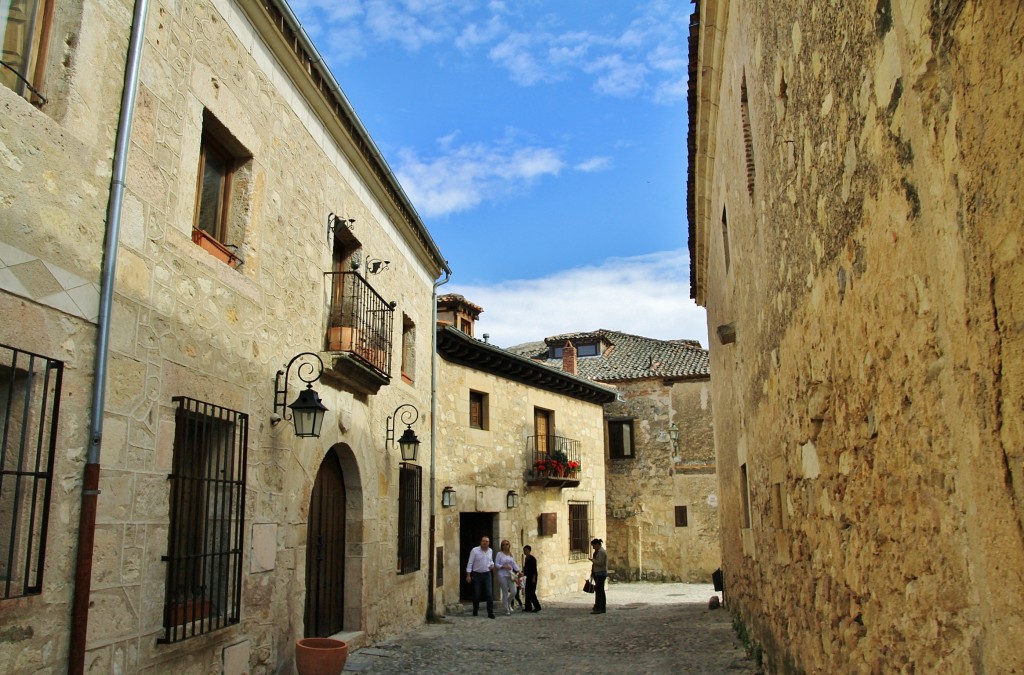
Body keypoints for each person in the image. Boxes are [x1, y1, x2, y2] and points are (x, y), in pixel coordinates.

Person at [465, 536, 495, 618]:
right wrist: (468, 575)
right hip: (477, 574)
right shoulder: (475, 550)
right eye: (483, 541)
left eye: (487, 541)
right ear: (480, 542)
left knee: (489, 593)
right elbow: (470, 563)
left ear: (489, 543)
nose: (485, 543)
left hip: (487, 574)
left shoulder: (490, 551)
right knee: (477, 594)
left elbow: (491, 560)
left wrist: (492, 565)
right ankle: (475, 610)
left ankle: (490, 612)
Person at [495, 539, 521, 616]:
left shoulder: (510, 554)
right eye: (503, 544)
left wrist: (518, 571)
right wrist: (503, 567)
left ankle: (508, 603)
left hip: (510, 575)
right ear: (501, 546)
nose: (505, 546)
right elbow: (496, 564)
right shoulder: (499, 554)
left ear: (509, 545)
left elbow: (514, 564)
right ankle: (506, 609)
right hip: (502, 575)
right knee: (505, 591)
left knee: (514, 591)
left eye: (507, 544)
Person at [590, 538, 608, 614]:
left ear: (597, 544)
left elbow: (600, 563)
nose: (593, 547)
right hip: (598, 573)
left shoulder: (601, 552)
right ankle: (600, 607)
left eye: (594, 545)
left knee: (599, 591)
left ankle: (600, 608)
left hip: (600, 573)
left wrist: (592, 560)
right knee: (600, 591)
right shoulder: (598, 552)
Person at [522, 545, 541, 612]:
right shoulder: (526, 558)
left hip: (533, 577)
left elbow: (534, 570)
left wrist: (534, 578)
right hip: (528, 577)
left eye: (526, 550)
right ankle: (528, 607)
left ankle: (537, 606)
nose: (525, 551)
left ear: (529, 551)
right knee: (527, 592)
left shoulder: (532, 559)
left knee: (532, 592)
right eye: (524, 550)